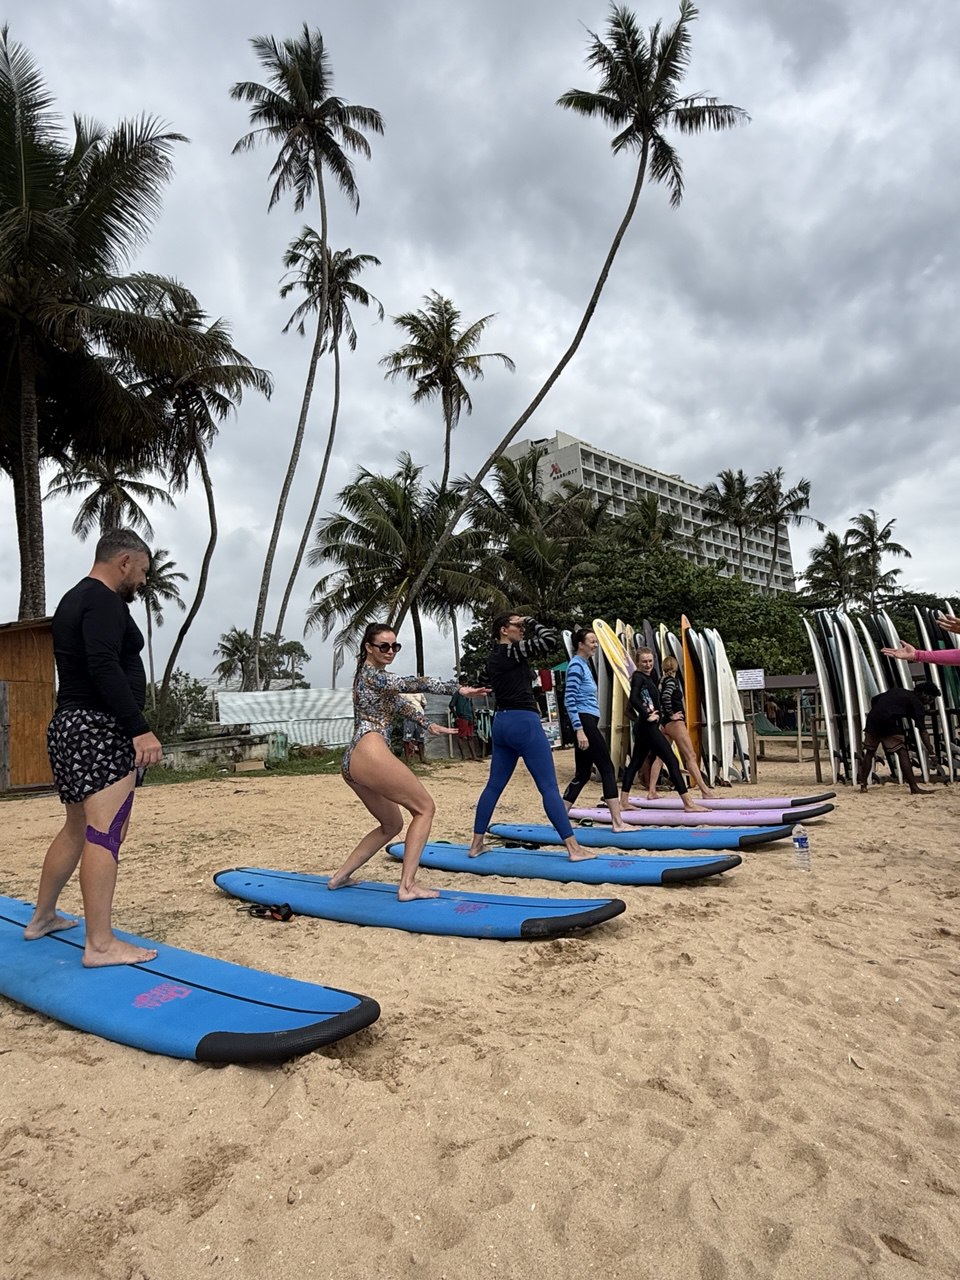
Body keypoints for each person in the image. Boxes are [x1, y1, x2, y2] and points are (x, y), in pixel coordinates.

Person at [23, 529, 164, 966]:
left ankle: (42, 918)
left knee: (76, 828)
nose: (141, 582)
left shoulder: (73, 599)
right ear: (124, 562)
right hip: (99, 728)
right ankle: (100, 944)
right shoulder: (103, 600)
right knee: (105, 831)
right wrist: (138, 728)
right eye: (141, 571)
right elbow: (104, 665)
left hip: (70, 725)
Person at [329, 624, 488, 899]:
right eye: (384, 646)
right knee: (424, 808)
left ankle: (339, 877)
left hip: (355, 760)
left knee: (391, 825)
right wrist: (458, 689)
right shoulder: (372, 676)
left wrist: (428, 724)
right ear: (369, 647)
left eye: (394, 646)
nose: (390, 651)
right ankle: (407, 886)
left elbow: (399, 704)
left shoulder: (373, 678)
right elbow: (414, 684)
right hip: (369, 749)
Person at [467, 613, 593, 860]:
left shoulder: (492, 659)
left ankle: (476, 845)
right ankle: (574, 849)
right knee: (548, 787)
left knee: (493, 786)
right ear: (504, 630)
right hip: (524, 721)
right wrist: (533, 621)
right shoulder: (511, 652)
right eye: (518, 626)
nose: (522, 629)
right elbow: (550, 640)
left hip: (501, 723)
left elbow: (482, 683)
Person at [620, 648, 707, 813]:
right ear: (637, 662)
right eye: (644, 661)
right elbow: (633, 698)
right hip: (647, 727)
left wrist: (658, 716)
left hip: (645, 727)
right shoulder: (638, 677)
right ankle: (688, 803)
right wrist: (647, 715)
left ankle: (623, 801)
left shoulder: (649, 677)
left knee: (635, 763)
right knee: (671, 761)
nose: (648, 664)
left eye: (650, 661)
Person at [561, 627, 629, 831]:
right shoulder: (576, 666)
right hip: (584, 721)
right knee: (607, 768)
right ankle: (617, 823)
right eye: (592, 641)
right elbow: (569, 700)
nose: (595, 645)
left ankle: (560, 817)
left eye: (596, 642)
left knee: (582, 774)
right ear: (580, 644)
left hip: (587, 720)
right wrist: (579, 729)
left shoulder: (584, 664)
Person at [645, 654, 716, 800]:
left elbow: (660, 699)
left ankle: (651, 791)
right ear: (676, 667)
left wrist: (664, 715)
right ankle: (705, 791)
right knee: (690, 756)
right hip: (674, 723)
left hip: (664, 723)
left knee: (660, 757)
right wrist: (672, 714)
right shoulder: (671, 681)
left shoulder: (661, 680)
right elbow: (666, 697)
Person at [856, 681, 940, 794]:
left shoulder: (899, 691)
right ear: (923, 693)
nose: (929, 702)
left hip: (873, 720)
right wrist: (931, 752)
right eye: (930, 698)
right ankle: (914, 787)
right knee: (902, 752)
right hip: (887, 722)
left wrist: (881, 712)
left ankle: (863, 785)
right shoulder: (917, 703)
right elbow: (923, 731)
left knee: (870, 752)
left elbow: (875, 699)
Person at [449, 685, 480, 761]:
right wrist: (456, 716)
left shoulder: (469, 695)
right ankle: (463, 756)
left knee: (470, 737)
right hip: (462, 717)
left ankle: (474, 756)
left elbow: (471, 706)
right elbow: (451, 705)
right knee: (461, 736)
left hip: (470, 717)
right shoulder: (457, 694)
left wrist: (474, 716)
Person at [402, 692, 427, 764]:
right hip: (409, 718)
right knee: (407, 738)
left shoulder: (420, 693)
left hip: (420, 718)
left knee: (421, 738)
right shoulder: (404, 693)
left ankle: (422, 758)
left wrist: (420, 712)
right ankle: (407, 759)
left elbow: (424, 703)